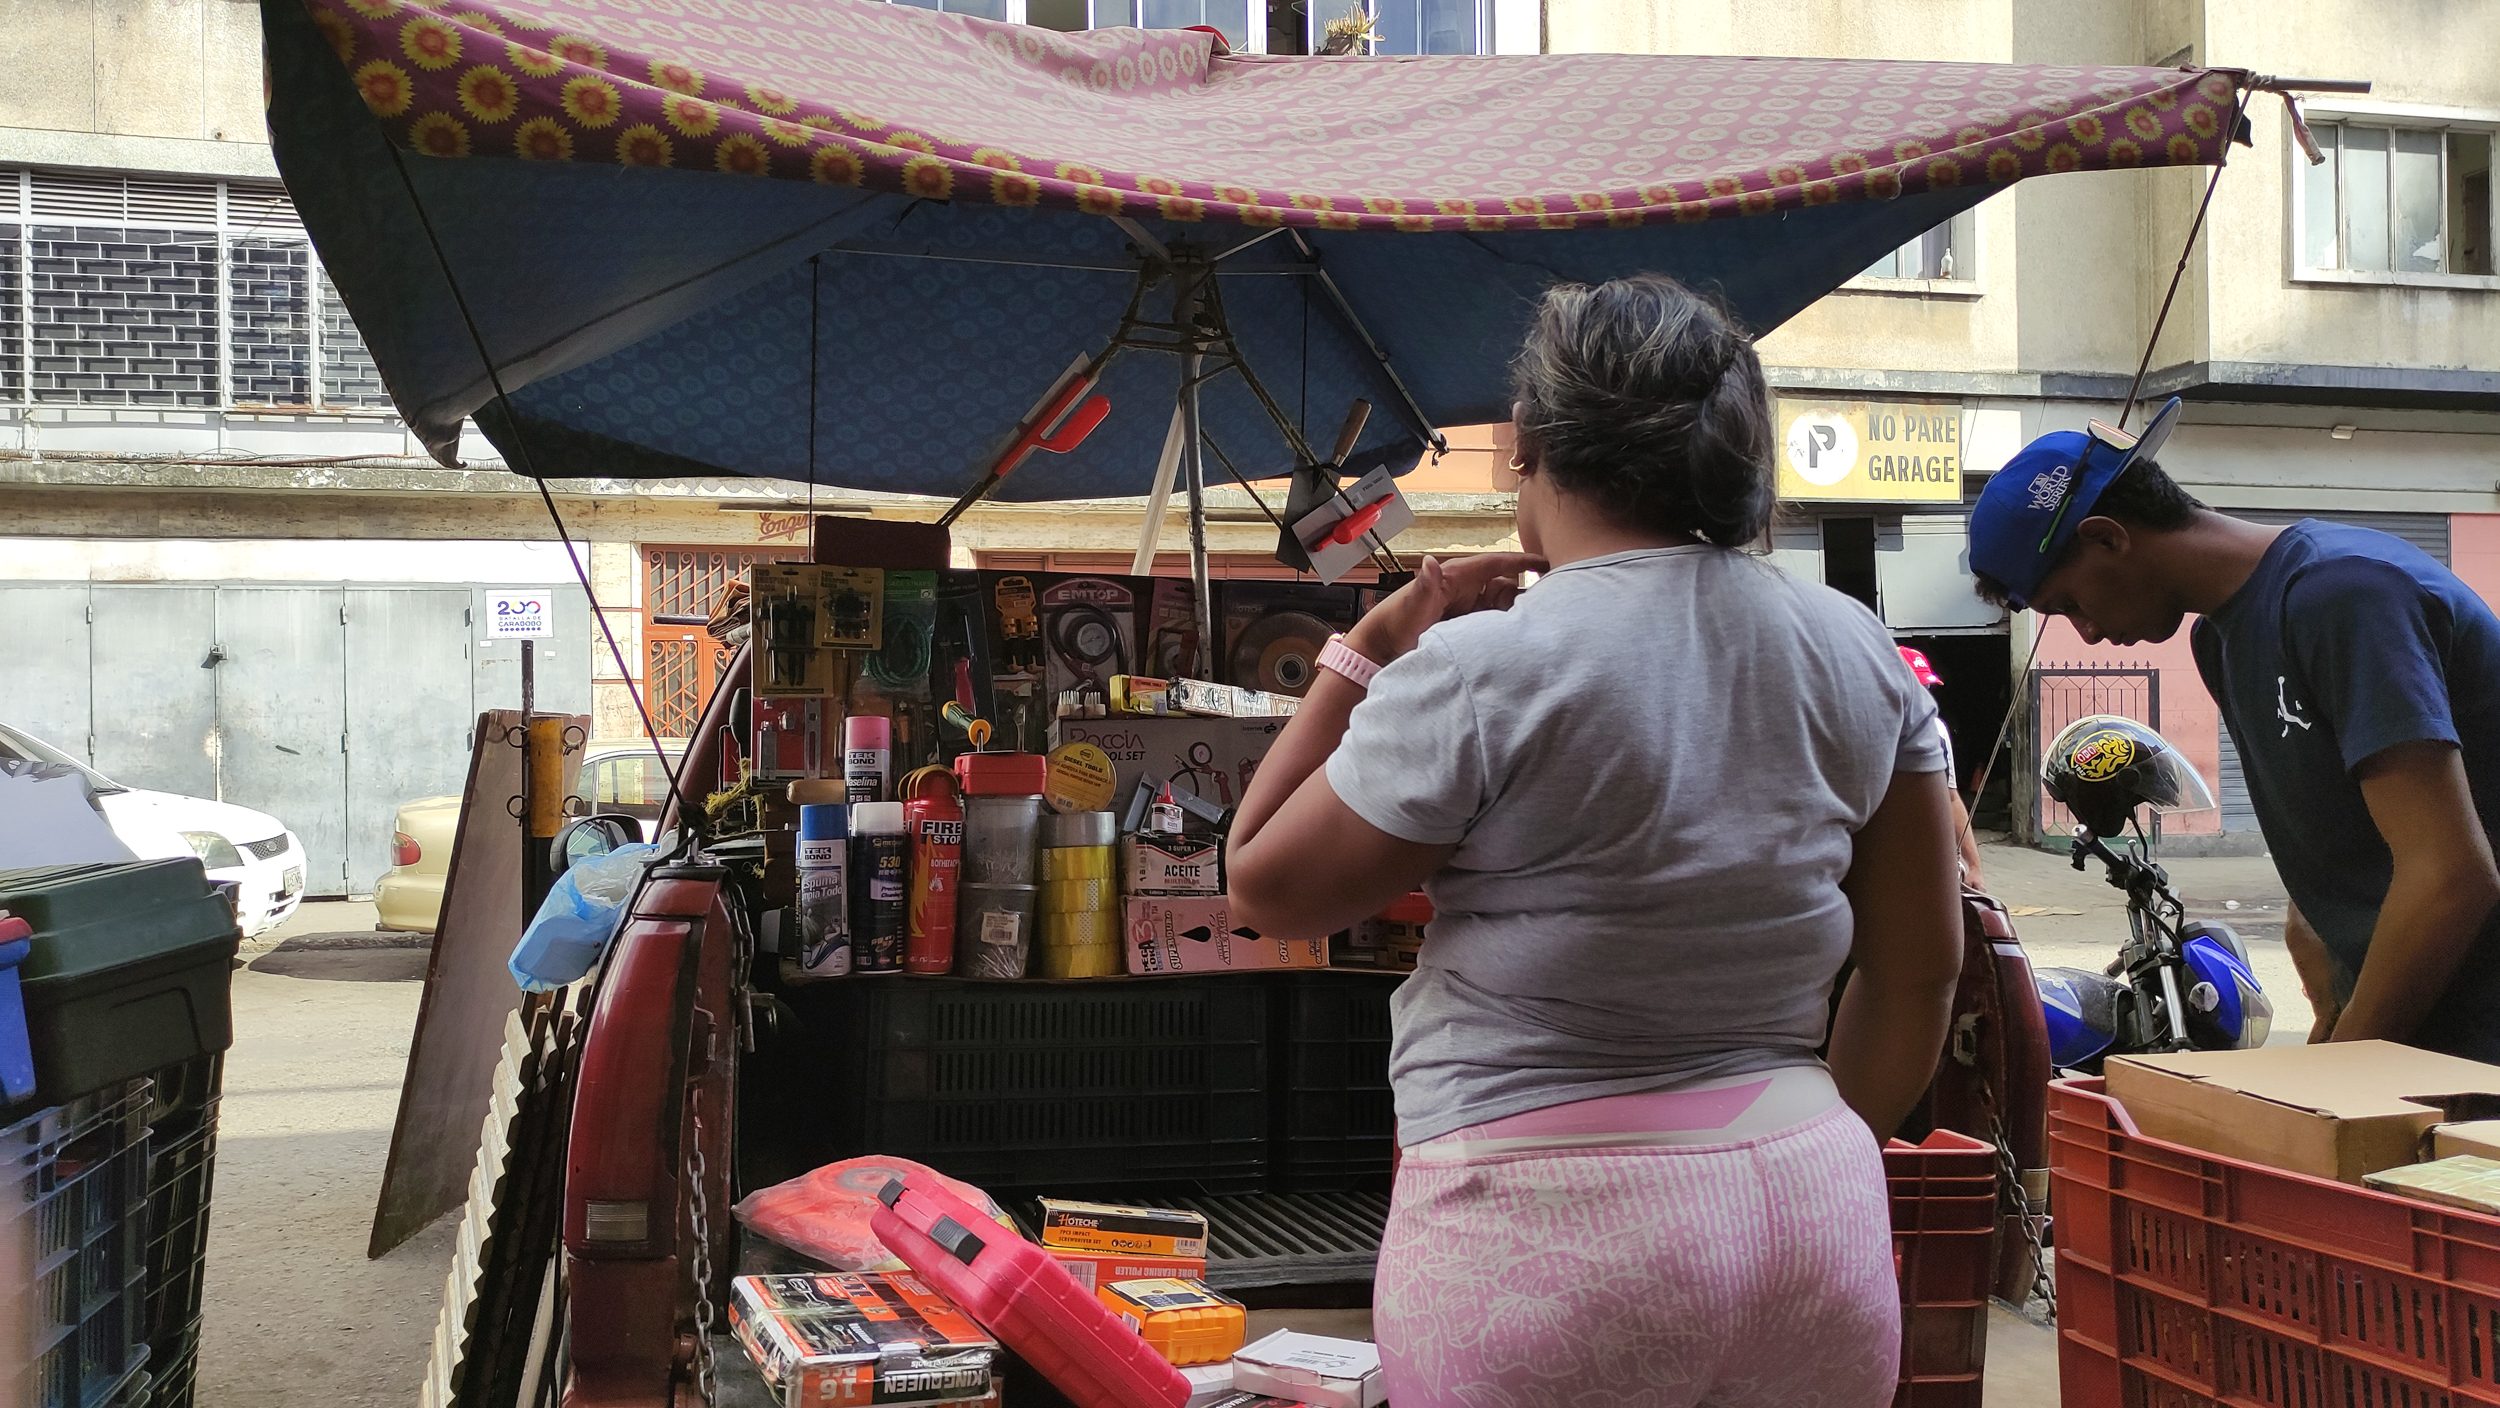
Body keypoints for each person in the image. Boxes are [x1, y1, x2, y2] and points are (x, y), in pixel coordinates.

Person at [1227, 273, 1963, 1406]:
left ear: (1527, 448)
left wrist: (1363, 648)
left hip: (1546, 1219)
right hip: (1813, 1208)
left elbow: (1264, 885)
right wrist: (1789, 1159)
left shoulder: (1484, 667)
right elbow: (1918, 969)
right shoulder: (1853, 645)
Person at [1967, 402, 2500, 1058]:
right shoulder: (2218, 642)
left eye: (2071, 605)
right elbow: (2337, 836)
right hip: (2421, 1038)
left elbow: (2450, 874)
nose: (2090, 633)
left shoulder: (2342, 594)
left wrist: (2341, 1076)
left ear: (2108, 538)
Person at [1900, 646, 1988, 890]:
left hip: (1929, 854)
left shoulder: (1936, 730)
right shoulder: (1865, 730)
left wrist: (1974, 867)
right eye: (1915, 689)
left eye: (1927, 688)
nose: (1924, 698)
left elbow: (1950, 798)